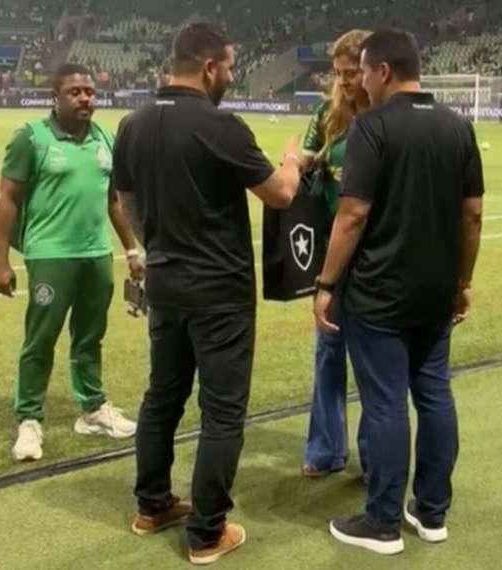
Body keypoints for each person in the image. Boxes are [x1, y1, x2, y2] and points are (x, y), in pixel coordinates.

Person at [113, 23, 300, 565]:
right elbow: (281, 194)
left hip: (165, 282)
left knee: (161, 398)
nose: (231, 77)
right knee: (221, 413)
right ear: (210, 67)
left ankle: (152, 506)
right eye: (230, 68)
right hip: (220, 291)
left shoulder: (133, 123)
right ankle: (206, 532)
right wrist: (292, 160)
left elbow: (127, 204)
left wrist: (158, 246)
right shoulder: (222, 126)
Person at [313, 28, 484, 555]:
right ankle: (431, 513)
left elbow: (353, 213)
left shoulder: (372, 129)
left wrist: (324, 285)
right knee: (434, 395)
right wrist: (462, 280)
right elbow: (472, 213)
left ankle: (383, 522)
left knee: (386, 403)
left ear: (383, 71)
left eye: (363, 71)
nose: (359, 80)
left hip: (379, 293)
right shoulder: (459, 127)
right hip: (435, 291)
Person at [0, 63, 143, 462]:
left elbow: (114, 202)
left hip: (96, 254)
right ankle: (29, 420)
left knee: (90, 336)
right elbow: (8, 199)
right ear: (55, 97)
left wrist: (131, 249)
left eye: (90, 92)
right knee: (40, 339)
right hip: (50, 254)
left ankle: (92, 409)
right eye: (75, 92)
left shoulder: (105, 139)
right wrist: (1, 262)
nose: (85, 98)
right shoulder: (31, 138)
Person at [298, 29, 371, 480]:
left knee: (372, 362)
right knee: (328, 354)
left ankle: (373, 452)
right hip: (332, 256)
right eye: (339, 73)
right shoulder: (326, 115)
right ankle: (326, 450)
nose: (344, 81)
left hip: (375, 258)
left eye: (352, 73)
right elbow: (301, 161)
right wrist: (296, 164)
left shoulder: (384, 118)